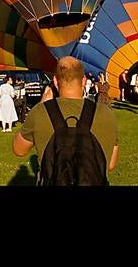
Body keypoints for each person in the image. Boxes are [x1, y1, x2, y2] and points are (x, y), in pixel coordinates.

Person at [12, 57, 118, 185]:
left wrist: (42, 103)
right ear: (84, 80)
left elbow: (19, 150)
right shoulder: (106, 113)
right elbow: (110, 165)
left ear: (55, 81)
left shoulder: (39, 112)